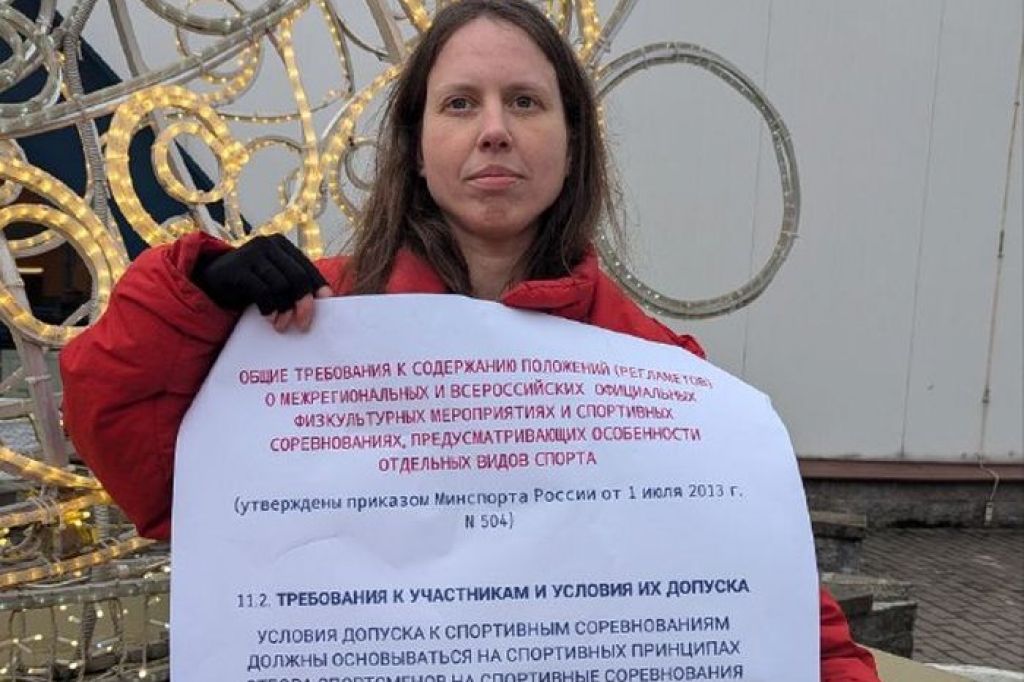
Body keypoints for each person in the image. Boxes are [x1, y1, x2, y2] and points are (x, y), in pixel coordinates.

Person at [60, 1, 880, 679]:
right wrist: (196, 299)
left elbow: (770, 605)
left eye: (524, 102)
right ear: (417, 149)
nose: (494, 129)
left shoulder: (655, 375)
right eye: (460, 103)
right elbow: (132, 455)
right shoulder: (303, 324)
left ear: (572, 145)